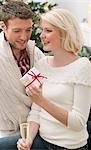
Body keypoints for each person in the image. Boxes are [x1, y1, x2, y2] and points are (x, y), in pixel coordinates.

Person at [17, 8, 91, 150]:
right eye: (42, 30)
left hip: (70, 146)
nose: (41, 35)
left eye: (48, 31)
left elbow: (78, 123)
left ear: (64, 33)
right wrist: (28, 140)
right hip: (42, 141)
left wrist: (42, 101)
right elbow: (36, 111)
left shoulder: (83, 66)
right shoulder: (42, 65)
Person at [0, 0, 44, 149]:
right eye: (17, 31)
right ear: (3, 27)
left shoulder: (36, 53)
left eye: (28, 30)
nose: (24, 37)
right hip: (9, 135)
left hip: (41, 129)